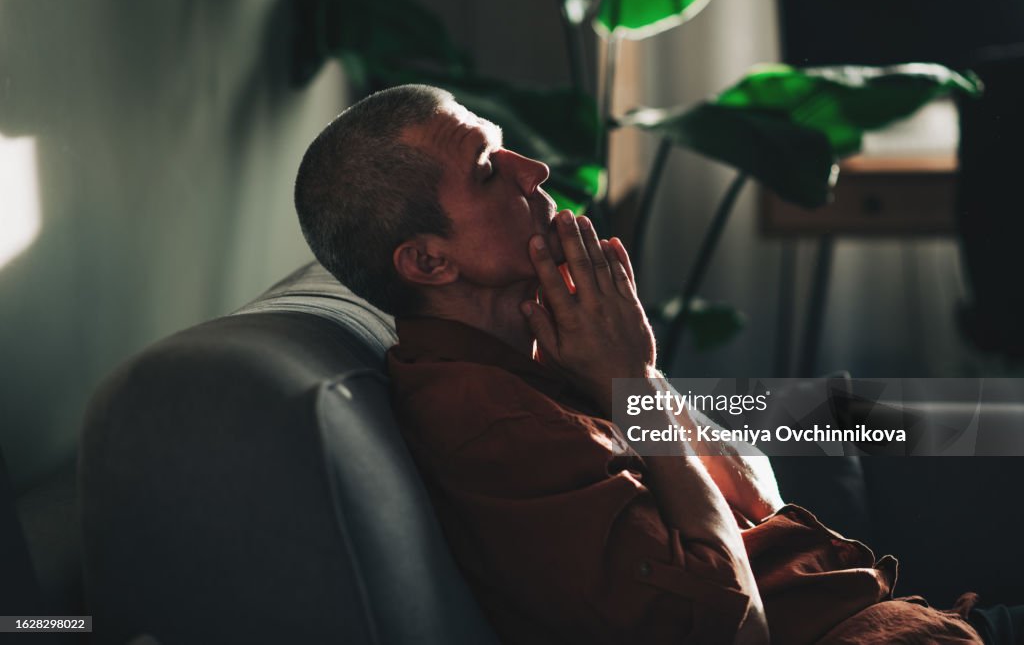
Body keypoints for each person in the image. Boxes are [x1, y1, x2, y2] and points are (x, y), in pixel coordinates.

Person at [294, 84, 1005, 643]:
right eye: (488, 169)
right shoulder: (491, 430)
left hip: (918, 619)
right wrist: (630, 384)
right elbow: (735, 629)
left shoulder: (545, 357)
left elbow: (757, 487)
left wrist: (642, 382)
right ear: (427, 260)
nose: (534, 170)